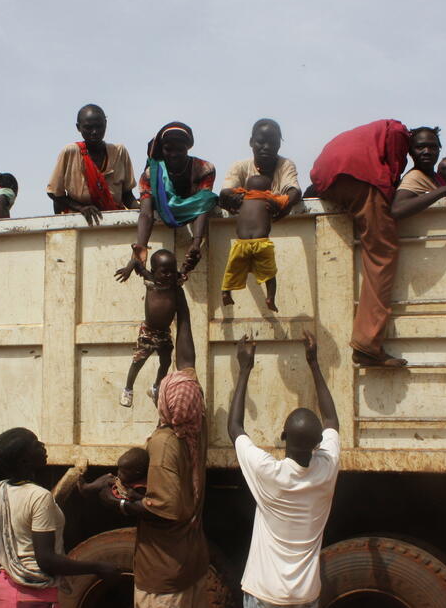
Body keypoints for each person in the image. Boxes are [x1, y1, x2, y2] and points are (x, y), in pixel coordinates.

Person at [94, 292, 210, 608]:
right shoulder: (196, 427)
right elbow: (187, 362)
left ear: (165, 402)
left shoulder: (164, 443)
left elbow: (166, 507)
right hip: (192, 564)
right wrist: (182, 302)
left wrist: (118, 505)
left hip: (164, 579)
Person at [227, 331, 340, 608]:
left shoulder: (269, 474)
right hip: (305, 597)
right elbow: (331, 419)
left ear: (283, 436)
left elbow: (234, 428)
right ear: (318, 444)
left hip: (265, 595)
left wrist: (245, 369)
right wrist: (313, 363)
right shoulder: (327, 469)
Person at [309, 119, 413, 368]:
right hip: (358, 174)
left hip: (328, 178)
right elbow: (392, 172)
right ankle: (367, 344)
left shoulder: (369, 131)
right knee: (382, 253)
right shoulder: (398, 129)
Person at [0, 427, 120, 608]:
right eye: (36, 444)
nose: (42, 446)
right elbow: (46, 560)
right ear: (24, 460)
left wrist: (15, 573)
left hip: (4, 592)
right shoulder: (39, 497)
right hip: (33, 599)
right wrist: (98, 567)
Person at [115, 122, 217, 283]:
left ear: (187, 148)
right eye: (169, 149)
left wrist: (196, 243)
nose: (174, 154)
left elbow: (202, 204)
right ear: (162, 149)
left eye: (180, 149)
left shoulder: (204, 169)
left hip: (195, 224)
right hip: (166, 213)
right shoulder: (151, 175)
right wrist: (138, 254)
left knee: (208, 198)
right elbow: (146, 213)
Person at [47, 104, 137, 225]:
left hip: (114, 219)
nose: (94, 132)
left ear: (106, 124)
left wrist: (143, 209)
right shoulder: (70, 152)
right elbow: (54, 193)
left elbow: (127, 194)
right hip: (79, 221)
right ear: (78, 128)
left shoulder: (119, 151)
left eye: (99, 126)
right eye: (88, 128)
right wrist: (81, 208)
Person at [217, 175, 292, 312]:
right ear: (268, 189)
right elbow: (287, 200)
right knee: (270, 274)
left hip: (241, 243)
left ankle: (226, 292)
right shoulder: (270, 199)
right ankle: (270, 297)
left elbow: (224, 193)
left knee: (232, 270)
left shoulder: (242, 197)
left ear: (245, 188)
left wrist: (237, 192)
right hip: (261, 242)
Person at [121, 249, 185, 407]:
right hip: (148, 331)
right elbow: (137, 261)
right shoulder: (151, 281)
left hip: (164, 332)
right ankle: (128, 389)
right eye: (164, 272)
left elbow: (184, 271)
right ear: (154, 272)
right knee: (138, 361)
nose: (169, 275)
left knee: (166, 361)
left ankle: (156, 387)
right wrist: (129, 269)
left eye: (172, 271)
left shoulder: (174, 283)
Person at [221, 119, 302, 218]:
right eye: (261, 142)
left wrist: (284, 205)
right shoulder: (239, 167)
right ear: (251, 142)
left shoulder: (285, 165)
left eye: (272, 143)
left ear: (279, 144)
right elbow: (225, 192)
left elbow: (295, 192)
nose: (267, 147)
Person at [392, 128, 446, 220]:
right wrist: (444, 191)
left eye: (433, 147)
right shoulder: (415, 177)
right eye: (420, 147)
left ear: (439, 150)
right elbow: (396, 210)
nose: (427, 152)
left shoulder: (435, 177)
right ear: (411, 152)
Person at [80, 447, 150, 502]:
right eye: (119, 469)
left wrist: (136, 495)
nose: (119, 473)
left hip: (123, 498)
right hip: (121, 488)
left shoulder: (142, 486)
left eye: (123, 473)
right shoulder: (131, 477)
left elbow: (146, 499)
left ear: (137, 473)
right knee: (107, 477)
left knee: (105, 482)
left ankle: (86, 489)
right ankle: (87, 487)